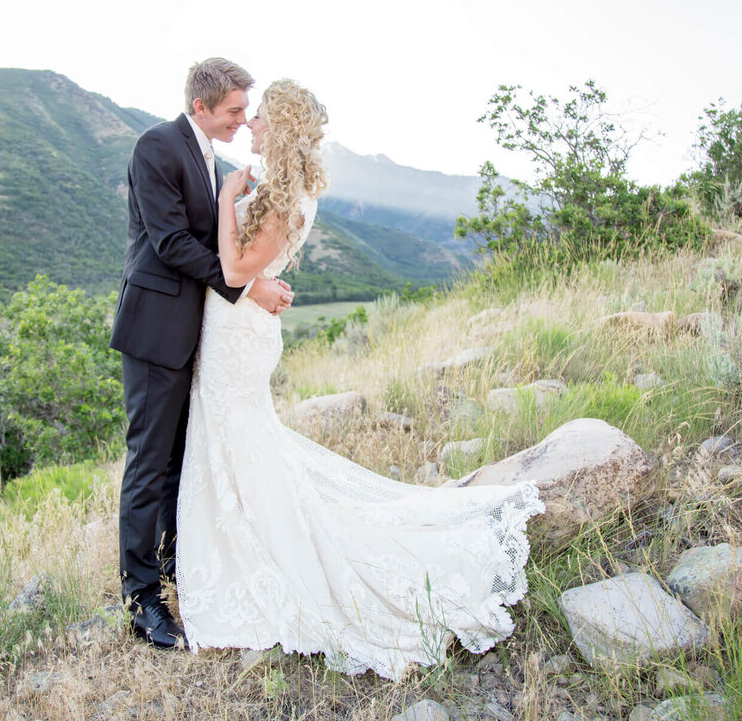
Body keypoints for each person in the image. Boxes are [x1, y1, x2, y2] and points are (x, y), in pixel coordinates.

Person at [175, 79, 544, 680]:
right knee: (236, 443)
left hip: (239, 335)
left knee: (243, 441)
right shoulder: (275, 188)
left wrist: (224, 199)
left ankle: (265, 558)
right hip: (231, 330)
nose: (253, 126)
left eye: (262, 118)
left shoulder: (284, 196)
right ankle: (234, 548)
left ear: (284, 128)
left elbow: (236, 267)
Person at [110, 58, 295, 649]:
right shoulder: (155, 147)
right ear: (201, 107)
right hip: (156, 329)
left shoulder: (215, 158)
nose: (244, 120)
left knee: (178, 462)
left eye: (248, 110)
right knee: (148, 463)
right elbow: (169, 243)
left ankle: (172, 565)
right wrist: (246, 285)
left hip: (199, 334)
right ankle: (141, 600)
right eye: (235, 110)